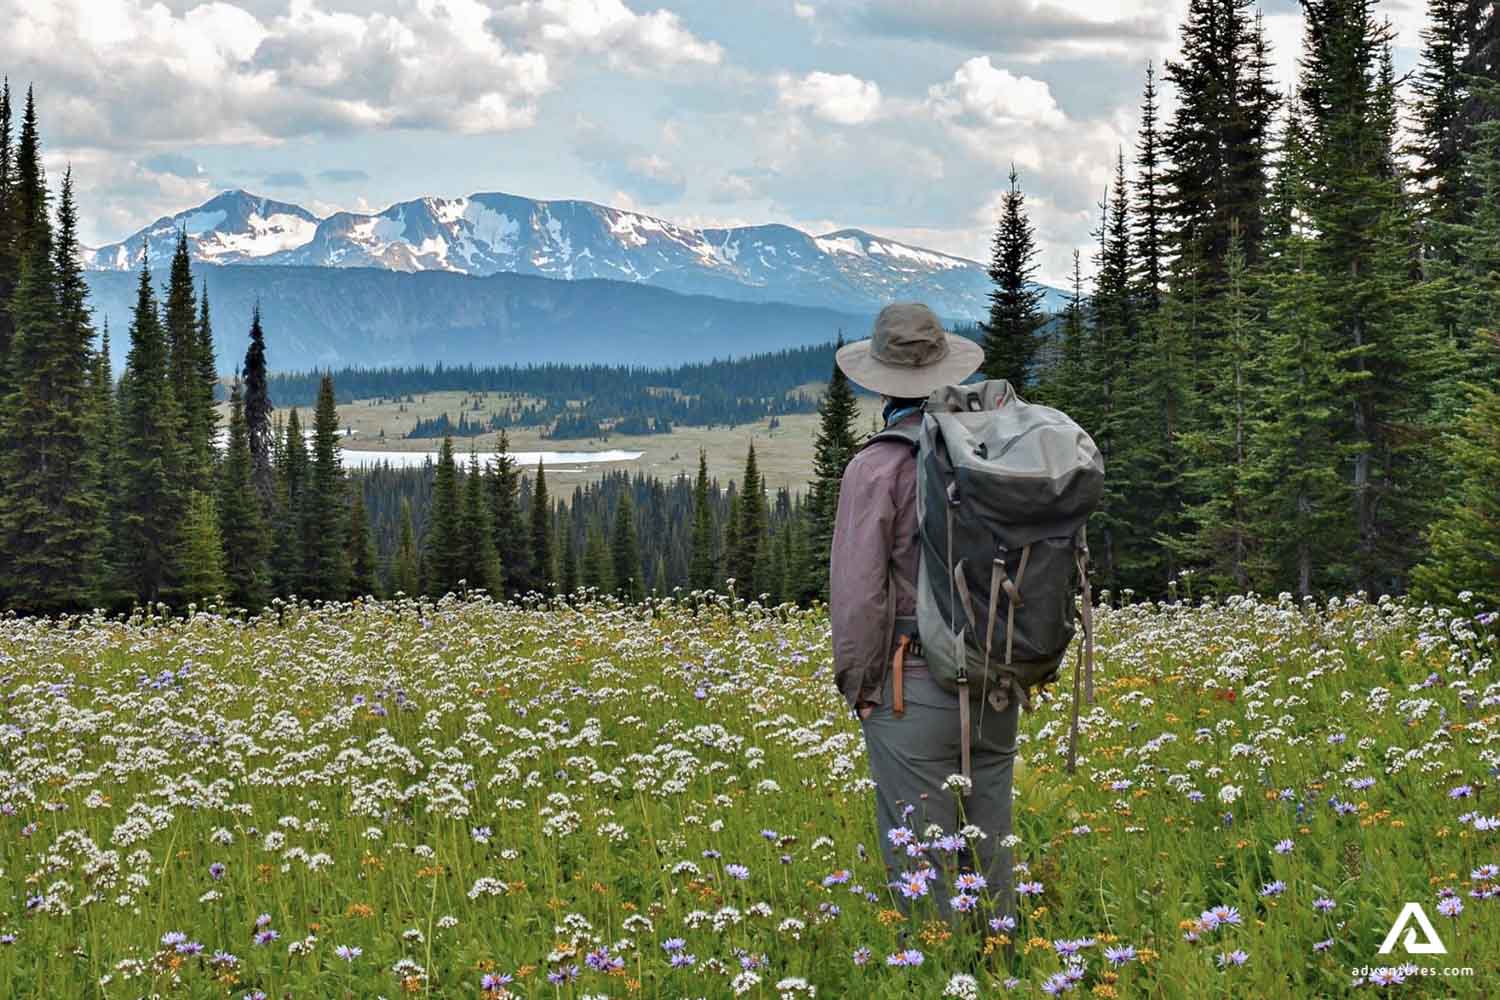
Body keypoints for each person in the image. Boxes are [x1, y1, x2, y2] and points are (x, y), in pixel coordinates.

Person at [829, 302, 1021, 924]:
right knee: (989, 857)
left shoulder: (876, 466)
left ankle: (942, 972)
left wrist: (861, 686)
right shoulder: (994, 450)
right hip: (997, 677)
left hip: (915, 684)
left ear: (881, 382)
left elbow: (859, 594)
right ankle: (1004, 972)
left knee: (923, 870)